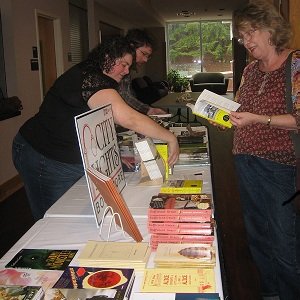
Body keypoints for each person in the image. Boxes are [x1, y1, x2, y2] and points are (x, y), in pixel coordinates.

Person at [12, 36, 179, 221]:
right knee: (53, 218)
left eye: (128, 66)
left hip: (71, 157)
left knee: (77, 215)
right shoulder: (89, 78)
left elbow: (101, 123)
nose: (126, 71)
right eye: (123, 64)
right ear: (107, 57)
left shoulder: (103, 79)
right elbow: (128, 118)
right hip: (43, 154)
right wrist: (170, 137)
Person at [230, 1, 300, 299]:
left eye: (250, 33)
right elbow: (239, 108)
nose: (246, 41)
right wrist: (226, 117)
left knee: (284, 240)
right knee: (258, 235)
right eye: (242, 36)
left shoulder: (295, 65)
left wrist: (261, 119)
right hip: (245, 162)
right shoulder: (249, 70)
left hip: (279, 166)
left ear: (270, 29)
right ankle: (271, 292)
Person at [119, 28, 166, 115]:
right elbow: (124, 98)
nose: (145, 60)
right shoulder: (118, 68)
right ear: (131, 47)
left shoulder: (126, 71)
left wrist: (149, 110)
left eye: (148, 56)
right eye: (144, 54)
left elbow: (127, 96)